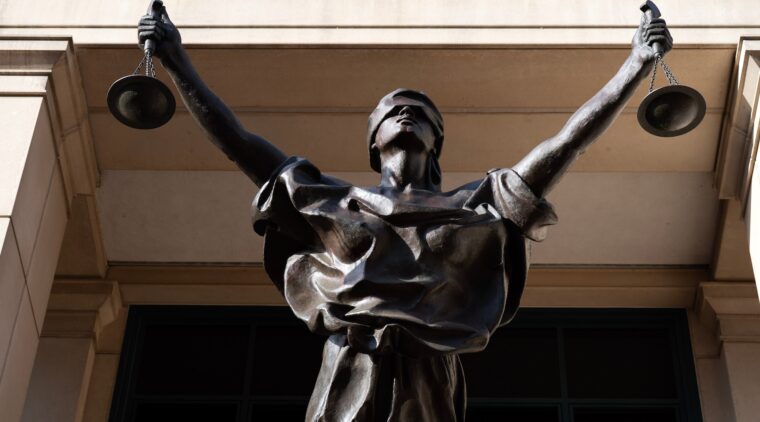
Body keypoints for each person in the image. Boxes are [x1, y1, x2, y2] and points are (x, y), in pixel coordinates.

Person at [138, 5, 672, 422]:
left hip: (432, 368)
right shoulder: (333, 201)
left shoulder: (476, 205)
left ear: (437, 141)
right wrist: (176, 61)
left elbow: (565, 144)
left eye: (420, 113)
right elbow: (238, 143)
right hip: (351, 360)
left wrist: (634, 66)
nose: (406, 113)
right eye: (392, 111)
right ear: (374, 142)